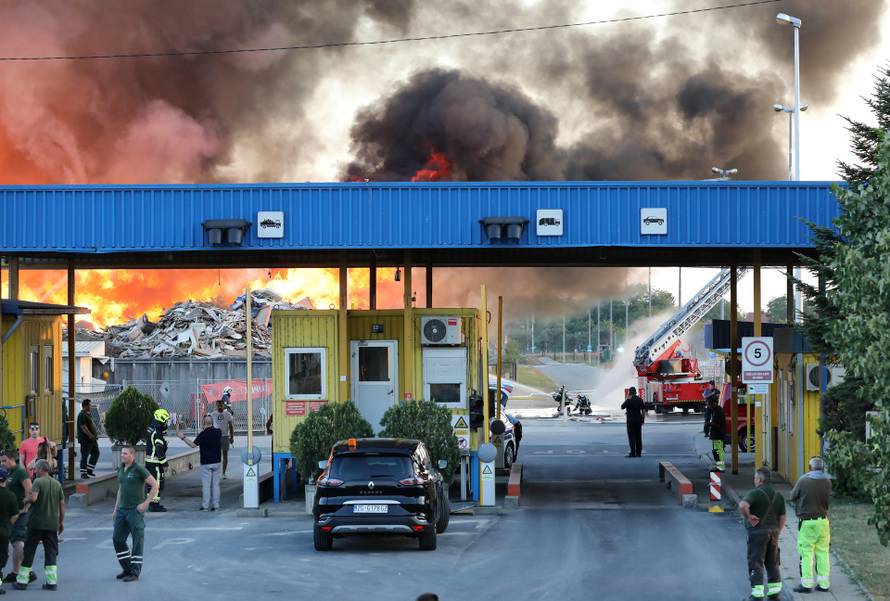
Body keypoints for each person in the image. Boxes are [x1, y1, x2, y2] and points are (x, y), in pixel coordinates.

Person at [738, 467, 786, 600]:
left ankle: (757, 595)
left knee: (756, 562)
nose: (754, 480)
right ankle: (774, 594)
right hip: (774, 532)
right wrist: (778, 531)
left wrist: (749, 517)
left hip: (758, 532)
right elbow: (782, 517)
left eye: (755, 478)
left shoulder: (756, 493)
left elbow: (742, 505)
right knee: (773, 562)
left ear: (760, 479)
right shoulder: (778, 495)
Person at [15, 460, 64, 591]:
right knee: (51, 552)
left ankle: (22, 581)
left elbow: (34, 498)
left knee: (29, 551)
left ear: (42, 469)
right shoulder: (57, 484)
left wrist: (25, 500)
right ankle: (51, 582)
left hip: (36, 523)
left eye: (36, 469)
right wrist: (61, 522)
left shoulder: (38, 481)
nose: (34, 471)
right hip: (52, 524)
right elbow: (62, 504)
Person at [112, 445, 158, 582]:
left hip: (135, 511)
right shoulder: (121, 469)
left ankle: (135, 573)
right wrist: (115, 509)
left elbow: (155, 485)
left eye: (125, 453)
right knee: (117, 539)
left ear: (132, 455)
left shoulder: (139, 469)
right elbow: (120, 489)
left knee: (137, 541)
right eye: (122, 453)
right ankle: (127, 569)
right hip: (122, 510)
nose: (122, 455)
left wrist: (146, 503)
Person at [790, 456, 832, 593]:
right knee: (823, 552)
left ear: (810, 468)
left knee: (806, 552)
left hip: (807, 522)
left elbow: (792, 496)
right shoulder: (827, 481)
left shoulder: (803, 480)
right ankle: (824, 584)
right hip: (823, 521)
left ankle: (807, 584)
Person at [0, 452, 33, 585]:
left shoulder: (20, 472)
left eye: (4, 461)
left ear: (12, 459)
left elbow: (29, 491)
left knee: (18, 541)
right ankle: (15, 572)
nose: (2, 463)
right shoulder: (9, 473)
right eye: (1, 461)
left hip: (20, 513)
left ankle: (28, 570)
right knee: (14, 542)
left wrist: (23, 508)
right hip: (12, 512)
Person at [176, 416, 222, 511]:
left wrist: (183, 437)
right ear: (212, 423)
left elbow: (193, 445)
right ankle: (216, 505)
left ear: (203, 423)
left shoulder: (202, 435)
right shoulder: (218, 432)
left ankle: (205, 506)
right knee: (216, 484)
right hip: (217, 461)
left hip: (206, 463)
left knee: (206, 485)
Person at [0, 468, 22, 593]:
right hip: (3, 531)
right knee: (2, 557)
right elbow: (15, 514)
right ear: (5, 480)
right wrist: (9, 524)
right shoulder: (10, 496)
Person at [145, 409, 170, 512]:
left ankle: (152, 503)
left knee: (151, 483)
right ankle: (154, 505)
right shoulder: (157, 432)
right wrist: (165, 463)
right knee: (158, 483)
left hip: (150, 462)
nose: (166, 423)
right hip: (156, 463)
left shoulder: (151, 428)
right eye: (165, 421)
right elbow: (159, 450)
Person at [211, 399, 235, 479]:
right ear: (216, 406)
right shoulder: (213, 414)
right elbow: (209, 426)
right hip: (215, 437)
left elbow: (231, 426)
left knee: (225, 455)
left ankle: (223, 473)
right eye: (218, 405)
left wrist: (232, 437)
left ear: (223, 405)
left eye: (221, 405)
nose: (220, 406)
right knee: (216, 455)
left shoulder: (227, 414)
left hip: (225, 437)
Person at [77, 399, 100, 479]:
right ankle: (83, 473)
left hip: (92, 440)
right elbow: (83, 427)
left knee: (96, 453)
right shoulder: (82, 415)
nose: (91, 406)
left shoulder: (87, 414)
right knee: (84, 456)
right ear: (86, 406)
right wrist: (90, 435)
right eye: (90, 405)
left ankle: (89, 470)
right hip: (86, 440)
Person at [620, 387, 646, 458]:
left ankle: (632, 453)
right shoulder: (640, 399)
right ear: (636, 392)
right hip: (638, 420)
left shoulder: (629, 400)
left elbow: (622, 407)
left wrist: (627, 399)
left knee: (631, 437)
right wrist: (643, 419)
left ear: (630, 393)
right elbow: (643, 410)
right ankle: (639, 453)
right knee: (638, 436)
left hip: (630, 420)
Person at [707, 394, 727, 471]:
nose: (708, 405)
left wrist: (709, 424)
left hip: (718, 435)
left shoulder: (718, 411)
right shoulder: (717, 410)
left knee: (718, 452)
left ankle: (721, 467)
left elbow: (718, 424)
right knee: (717, 451)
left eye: (709, 403)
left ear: (713, 403)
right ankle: (719, 466)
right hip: (717, 435)